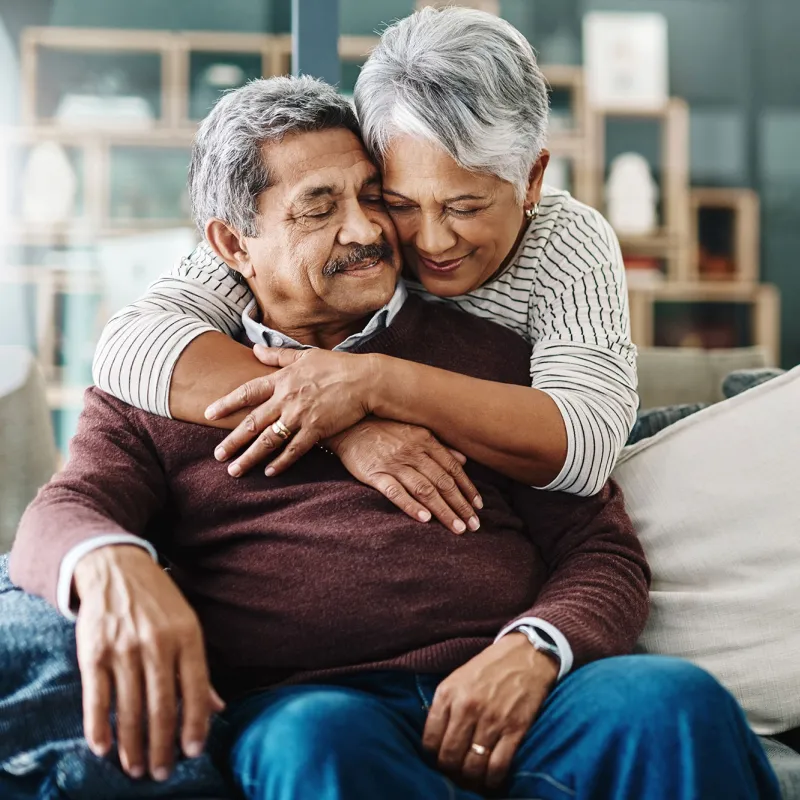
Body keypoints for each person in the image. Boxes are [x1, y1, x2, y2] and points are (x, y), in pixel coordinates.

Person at [6, 77, 779, 800]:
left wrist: (537, 649)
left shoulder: (487, 357)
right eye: (318, 208)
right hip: (316, 704)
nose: (367, 228)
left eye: (372, 195)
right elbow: (59, 513)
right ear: (234, 246)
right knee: (316, 741)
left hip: (519, 692)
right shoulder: (161, 386)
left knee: (670, 702)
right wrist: (109, 564)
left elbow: (601, 548)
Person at [92, 8, 637, 538]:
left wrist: (374, 382)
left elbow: (586, 447)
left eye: (464, 207)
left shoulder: (567, 242)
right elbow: (130, 345)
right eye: (397, 202)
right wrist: (347, 423)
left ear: (533, 179)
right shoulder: (341, 231)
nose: (430, 241)